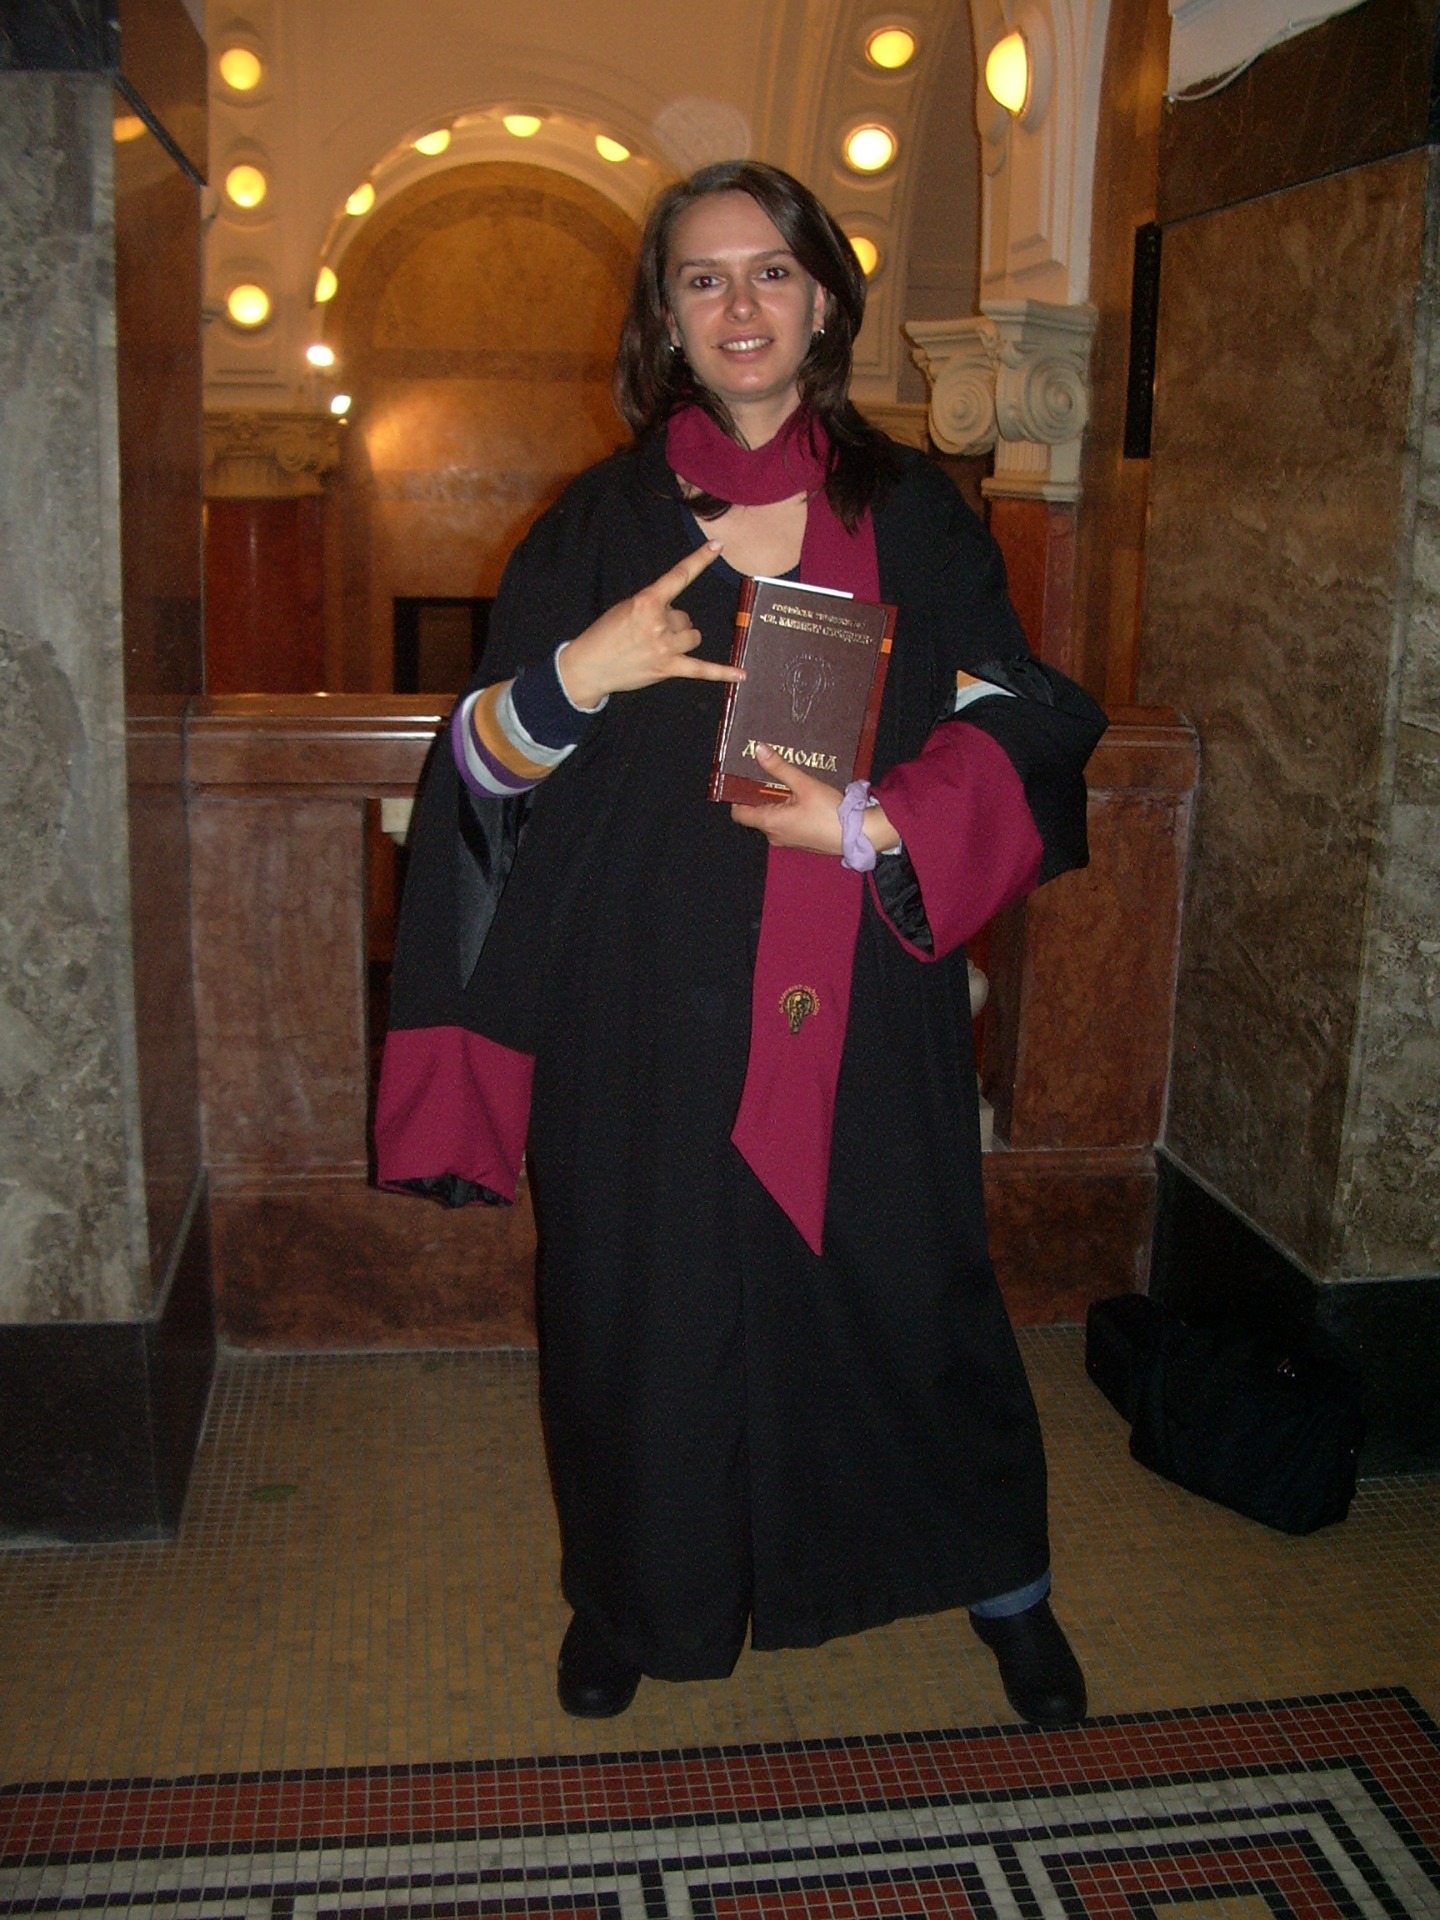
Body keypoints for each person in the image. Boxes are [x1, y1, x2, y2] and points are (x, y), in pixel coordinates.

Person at [376, 161, 1106, 1728]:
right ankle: (630, 1596)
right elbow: (485, 773)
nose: (740, 304)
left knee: (909, 1296)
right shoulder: (597, 525)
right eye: (702, 279)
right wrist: (580, 673)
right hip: (634, 1005)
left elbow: (1023, 720)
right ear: (666, 318)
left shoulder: (915, 516)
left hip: (862, 1003)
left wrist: (875, 825)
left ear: (824, 297)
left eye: (769, 269)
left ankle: (1003, 1581)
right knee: (634, 1312)